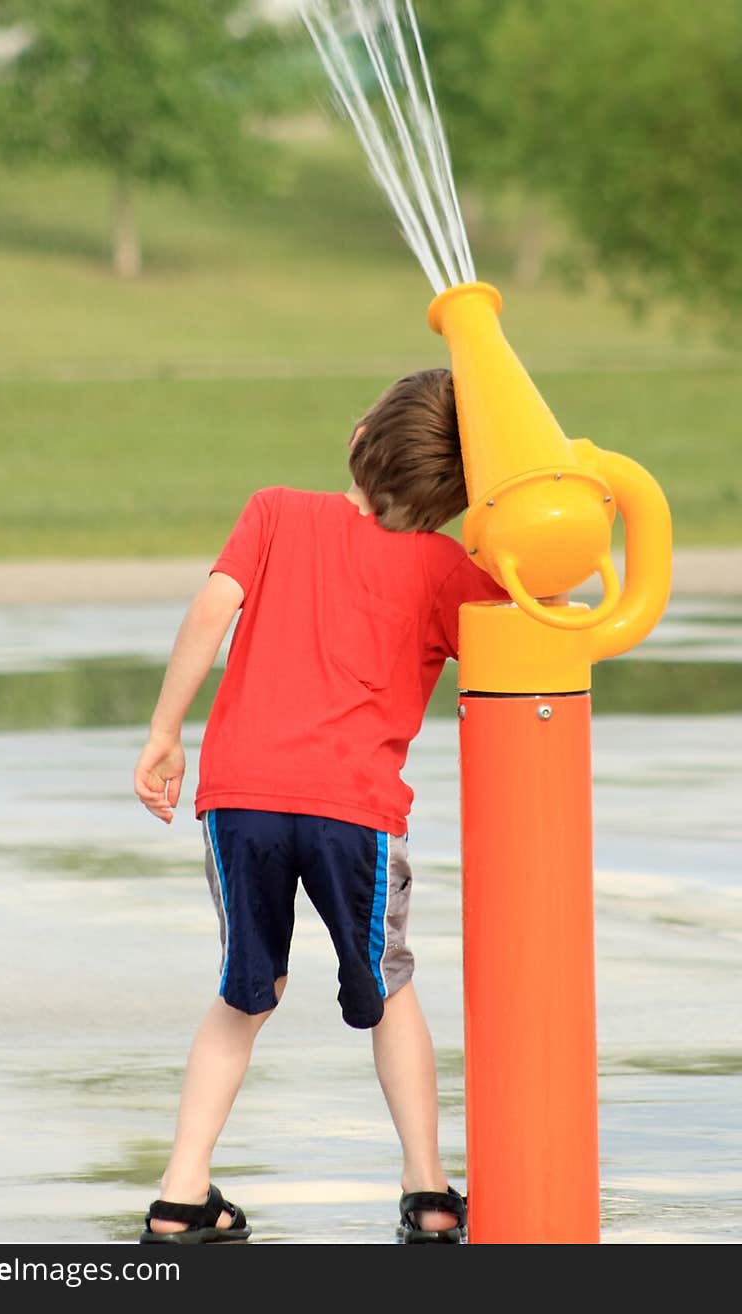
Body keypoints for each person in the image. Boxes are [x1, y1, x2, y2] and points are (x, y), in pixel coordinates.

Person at [133, 368, 508, 1245]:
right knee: (391, 988)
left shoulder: (272, 511)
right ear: (452, 499)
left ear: (357, 433)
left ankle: (182, 1195)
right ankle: (429, 1192)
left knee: (243, 996)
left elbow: (212, 608)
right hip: (357, 815)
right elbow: (527, 628)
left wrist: (164, 731)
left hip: (242, 802)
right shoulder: (442, 566)